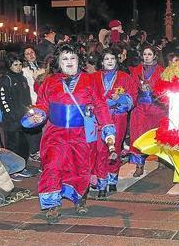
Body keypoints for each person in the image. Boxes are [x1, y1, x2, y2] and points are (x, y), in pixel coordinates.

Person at [22, 44, 116, 224]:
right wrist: (37, 115)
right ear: (58, 62)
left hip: (81, 133)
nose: (69, 62)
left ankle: (80, 198)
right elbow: (42, 105)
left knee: (81, 168)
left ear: (78, 60)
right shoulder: (49, 81)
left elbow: (100, 106)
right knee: (53, 165)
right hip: (55, 133)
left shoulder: (90, 80)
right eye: (65, 59)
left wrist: (107, 128)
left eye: (72, 58)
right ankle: (52, 204)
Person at [92, 48, 137, 198]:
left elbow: (132, 98)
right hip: (99, 119)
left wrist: (121, 100)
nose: (109, 61)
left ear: (117, 60)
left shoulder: (125, 77)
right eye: (106, 59)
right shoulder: (93, 77)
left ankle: (112, 180)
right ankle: (101, 183)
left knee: (115, 149)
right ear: (101, 62)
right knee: (100, 150)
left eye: (112, 58)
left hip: (118, 118)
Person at [129, 45, 166, 177]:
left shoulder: (162, 71)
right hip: (140, 108)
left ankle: (162, 159)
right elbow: (131, 88)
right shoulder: (136, 70)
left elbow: (164, 90)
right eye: (145, 54)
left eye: (149, 54)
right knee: (138, 135)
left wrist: (153, 90)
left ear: (155, 55)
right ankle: (139, 165)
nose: (147, 56)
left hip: (156, 107)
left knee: (158, 135)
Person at [0, 53, 33, 178]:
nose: (18, 67)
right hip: (11, 121)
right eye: (15, 64)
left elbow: (27, 97)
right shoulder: (6, 80)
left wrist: (29, 110)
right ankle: (13, 170)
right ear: (9, 65)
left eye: (20, 64)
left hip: (23, 119)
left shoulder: (22, 78)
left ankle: (21, 167)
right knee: (13, 145)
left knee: (24, 145)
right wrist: (11, 116)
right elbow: (3, 100)